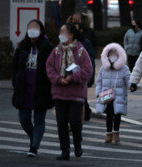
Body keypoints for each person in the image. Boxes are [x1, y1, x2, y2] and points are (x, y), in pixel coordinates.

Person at [46, 23, 93, 160]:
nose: (61, 34)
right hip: (59, 93)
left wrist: (71, 78)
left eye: (64, 32)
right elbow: (49, 67)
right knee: (61, 123)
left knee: (75, 121)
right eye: (60, 32)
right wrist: (58, 79)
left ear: (71, 35)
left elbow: (87, 70)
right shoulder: (56, 51)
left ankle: (77, 144)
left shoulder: (80, 51)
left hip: (76, 94)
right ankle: (64, 151)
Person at [12, 19, 54, 157]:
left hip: (41, 88)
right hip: (24, 88)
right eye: (30, 27)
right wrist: (15, 82)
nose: (32, 29)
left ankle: (34, 147)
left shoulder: (48, 48)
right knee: (23, 119)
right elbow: (15, 67)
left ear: (41, 30)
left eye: (35, 27)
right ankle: (33, 138)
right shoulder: (22, 46)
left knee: (39, 119)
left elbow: (53, 68)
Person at [96, 43, 130, 143]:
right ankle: (108, 133)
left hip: (118, 95)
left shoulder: (124, 68)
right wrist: (98, 92)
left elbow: (129, 80)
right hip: (106, 94)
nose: (113, 55)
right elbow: (99, 82)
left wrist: (132, 85)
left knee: (117, 114)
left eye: (115, 53)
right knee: (109, 114)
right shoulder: (103, 68)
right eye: (111, 53)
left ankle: (116, 132)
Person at [69, 12, 97, 121]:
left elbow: (91, 58)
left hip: (82, 72)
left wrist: (89, 76)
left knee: (81, 96)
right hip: (69, 74)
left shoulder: (87, 38)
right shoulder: (64, 41)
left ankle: (82, 116)